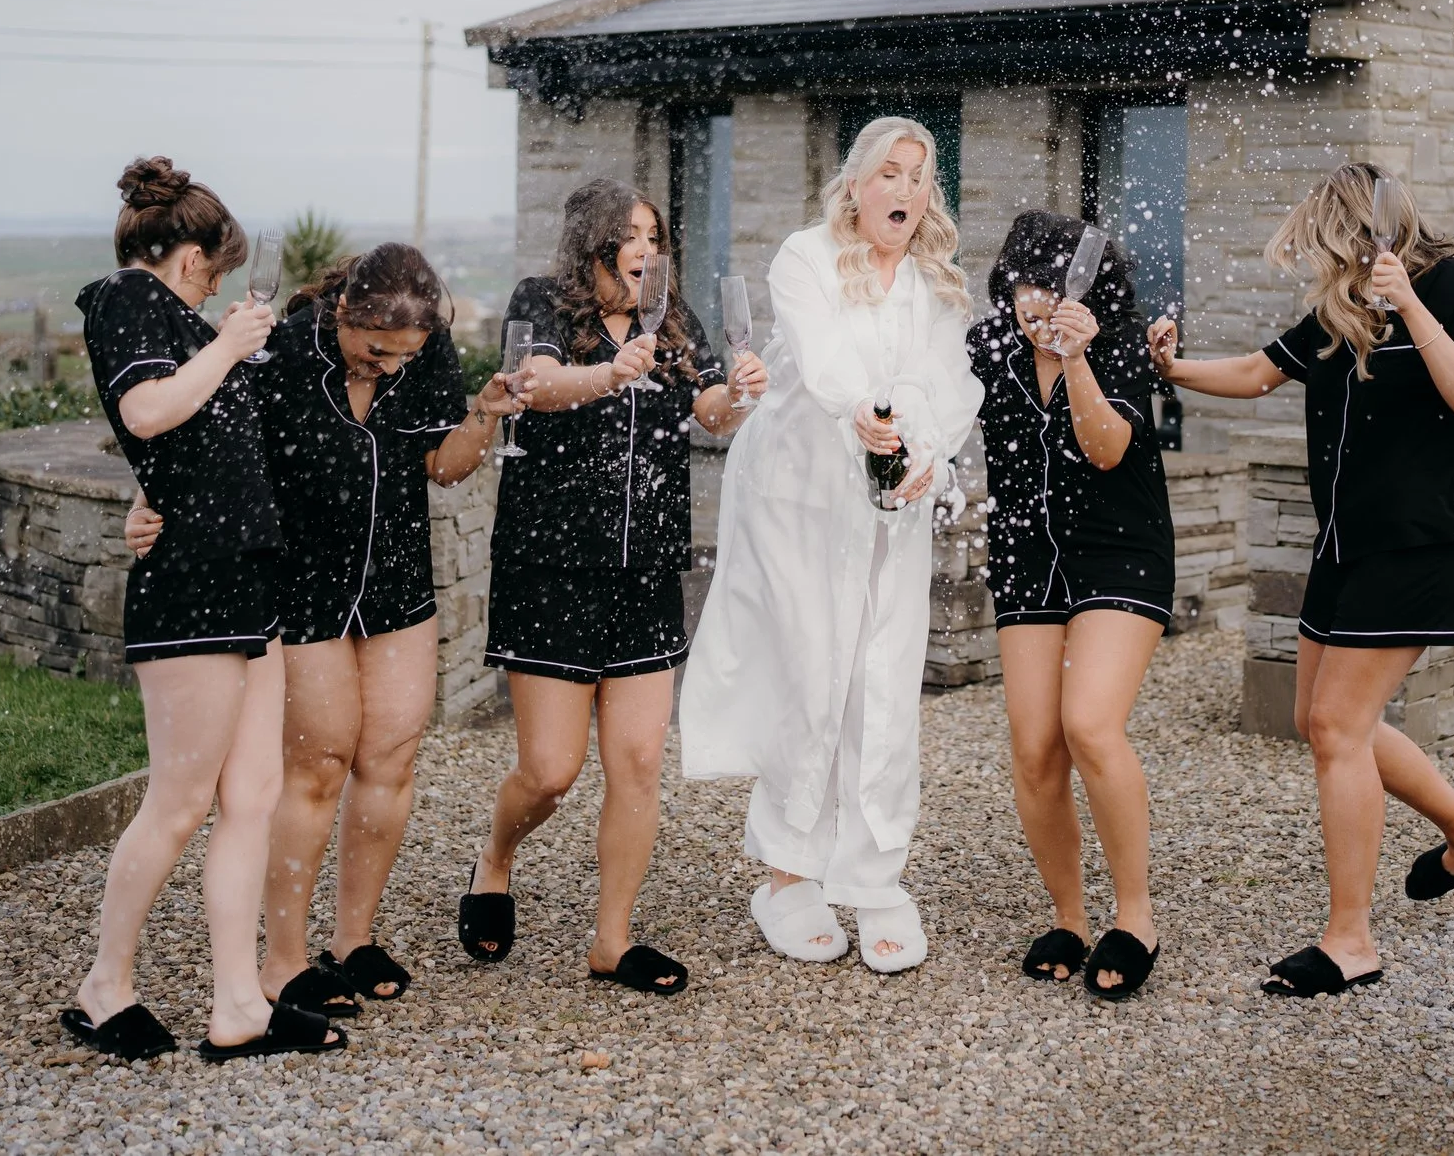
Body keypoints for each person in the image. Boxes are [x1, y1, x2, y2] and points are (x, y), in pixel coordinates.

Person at [123, 244, 524, 1022]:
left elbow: (443, 464)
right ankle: (283, 959)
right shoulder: (277, 350)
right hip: (302, 587)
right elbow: (202, 440)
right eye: (375, 349)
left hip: (398, 583)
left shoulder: (426, 352)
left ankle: (353, 938)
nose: (386, 366)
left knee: (391, 757)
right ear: (343, 311)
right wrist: (147, 504)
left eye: (402, 355)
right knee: (319, 763)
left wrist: (485, 412)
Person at [1150, 162, 1454, 998]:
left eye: (1328, 245)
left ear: (1364, 231)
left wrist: (1411, 302)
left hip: (1420, 545)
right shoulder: (1339, 311)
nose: (1323, 266)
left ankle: (1350, 939)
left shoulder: (1453, 285)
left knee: (1337, 725)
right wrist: (1175, 371)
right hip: (1345, 546)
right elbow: (1256, 371)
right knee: (1329, 724)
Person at [681, 116, 982, 975]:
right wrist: (866, 413)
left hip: (890, 500)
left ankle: (876, 873)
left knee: (884, 674)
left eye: (919, 177)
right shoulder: (803, 255)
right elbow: (818, 364)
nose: (905, 190)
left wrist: (921, 449)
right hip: (800, 494)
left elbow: (948, 381)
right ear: (854, 183)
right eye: (889, 173)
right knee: (812, 669)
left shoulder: (932, 280)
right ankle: (787, 871)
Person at [64, 156, 343, 1063]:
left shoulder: (184, 323)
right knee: (180, 801)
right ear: (189, 256)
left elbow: (199, 448)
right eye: (215, 269)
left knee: (252, 794)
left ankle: (238, 1006)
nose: (215, 286)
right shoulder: (124, 299)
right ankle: (105, 984)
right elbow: (145, 411)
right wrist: (228, 342)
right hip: (189, 587)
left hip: (244, 581)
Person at [461, 179, 768, 997]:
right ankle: (495, 858)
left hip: (645, 573)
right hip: (551, 569)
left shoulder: (672, 318)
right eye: (633, 236)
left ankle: (613, 939)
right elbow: (537, 385)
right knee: (551, 771)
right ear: (594, 245)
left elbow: (708, 409)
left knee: (636, 762)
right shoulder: (544, 304)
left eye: (655, 236)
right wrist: (609, 372)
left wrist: (737, 394)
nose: (647, 250)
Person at [969, 212, 1175, 1001]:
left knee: (1089, 723)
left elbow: (1106, 448)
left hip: (1120, 549)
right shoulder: (987, 348)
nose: (1034, 298)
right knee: (1034, 747)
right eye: (1023, 282)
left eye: (1050, 283)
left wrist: (1077, 358)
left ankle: (1136, 914)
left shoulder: (1116, 342)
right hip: (1028, 560)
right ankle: (1069, 916)